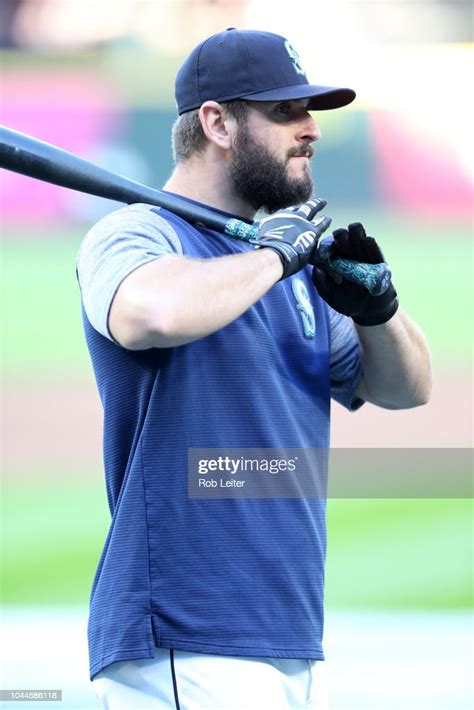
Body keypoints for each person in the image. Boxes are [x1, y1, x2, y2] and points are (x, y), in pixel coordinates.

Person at [76, 28, 432, 710]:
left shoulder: (290, 264)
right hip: (187, 627)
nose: (311, 130)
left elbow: (404, 388)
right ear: (217, 123)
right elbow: (146, 312)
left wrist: (378, 309)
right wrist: (274, 258)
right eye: (285, 112)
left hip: (288, 628)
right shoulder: (136, 233)